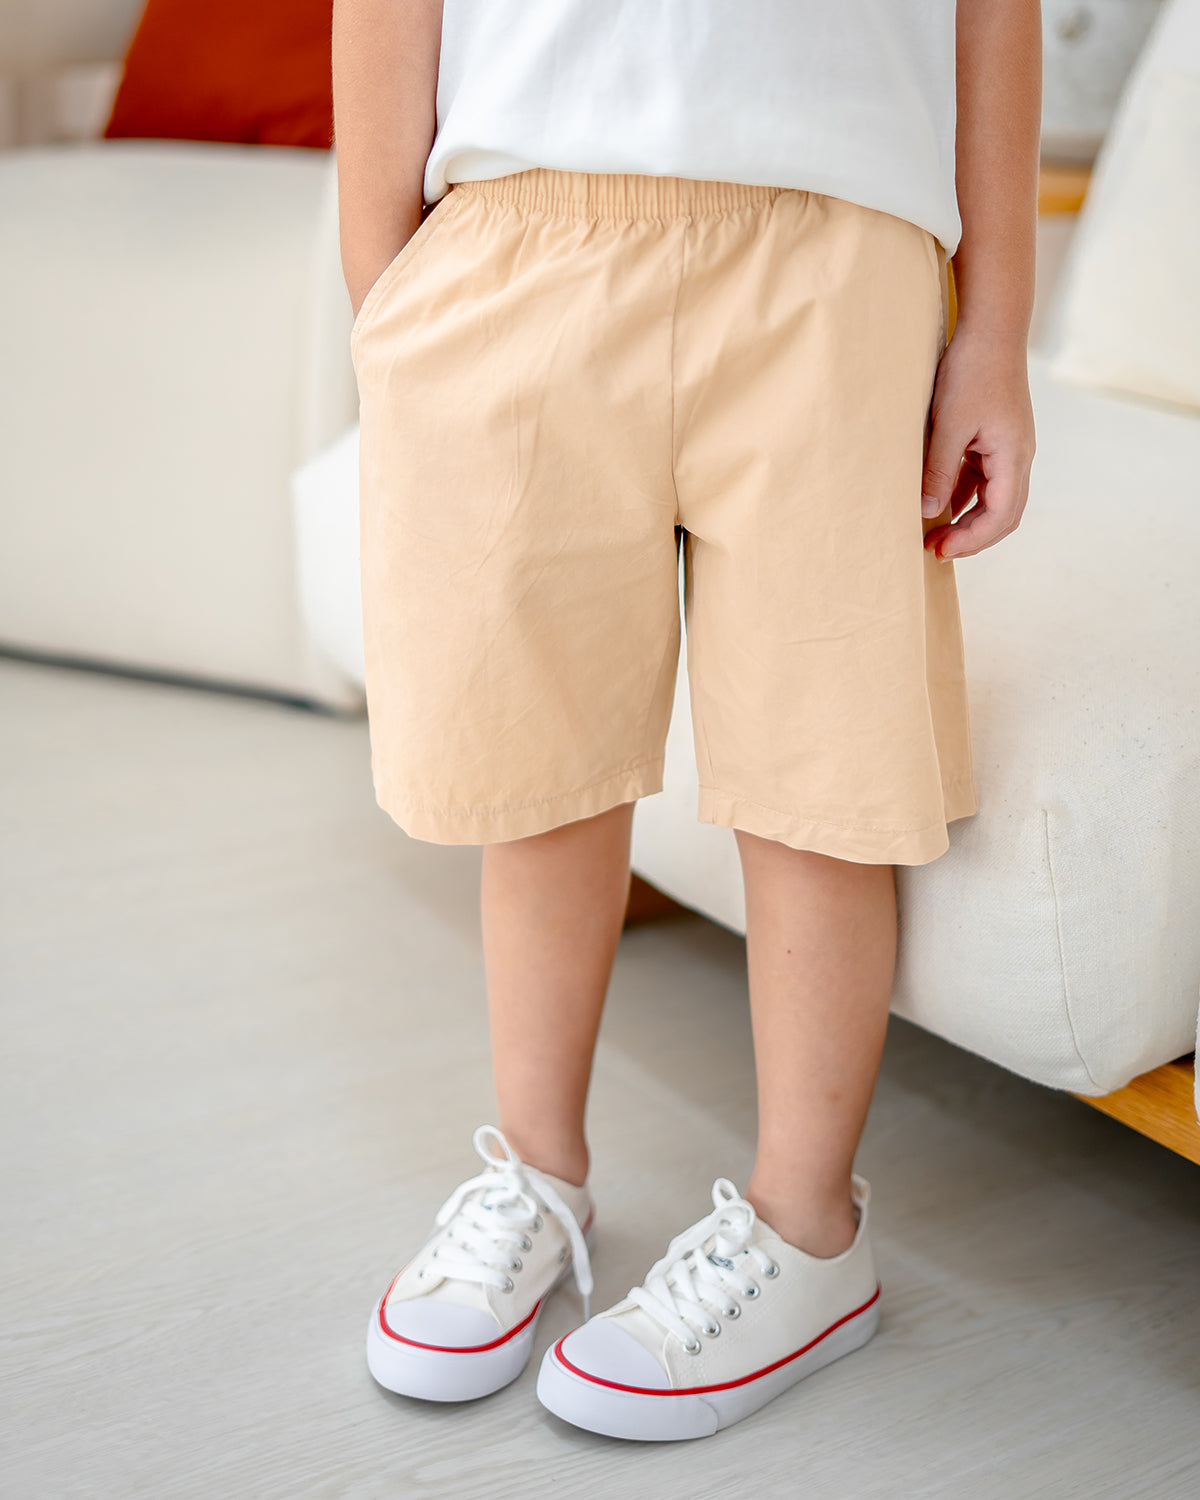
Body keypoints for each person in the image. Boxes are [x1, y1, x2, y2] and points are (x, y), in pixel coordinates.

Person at [333, 0, 1040, 1442]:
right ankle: (536, 1171)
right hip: (518, 229)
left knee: (821, 765)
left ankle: (808, 1235)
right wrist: (385, 302)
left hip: (836, 255)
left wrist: (999, 330)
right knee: (534, 769)